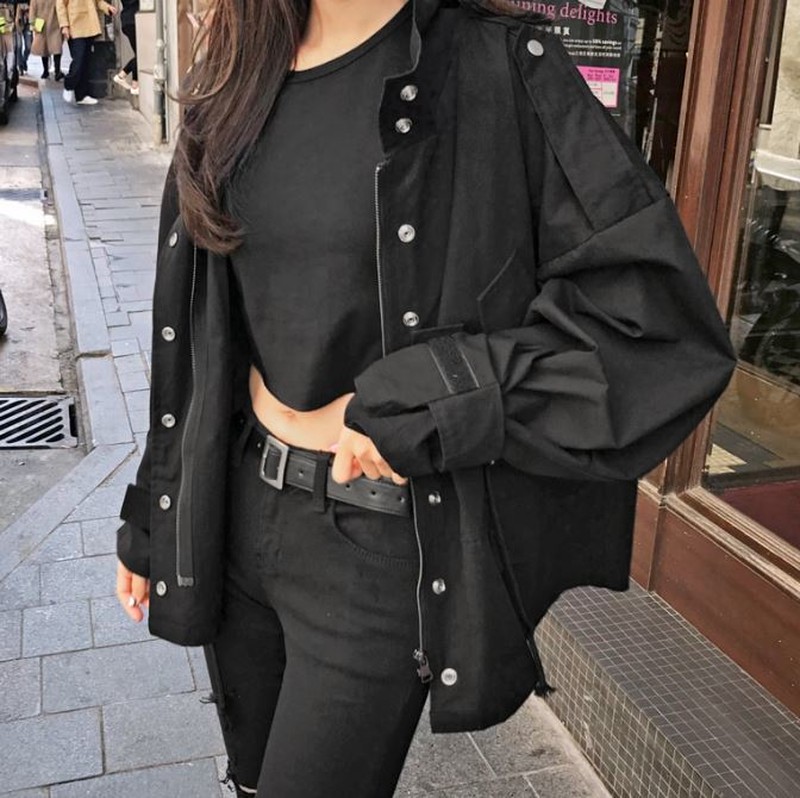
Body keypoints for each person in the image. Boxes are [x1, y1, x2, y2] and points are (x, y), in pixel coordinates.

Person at [114, 0, 737, 796]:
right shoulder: (237, 64)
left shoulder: (500, 67)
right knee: (253, 780)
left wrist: (431, 398)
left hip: (373, 542)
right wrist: (153, 509)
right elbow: (196, 327)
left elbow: (656, 330)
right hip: (234, 509)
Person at [56, 0, 115, 105]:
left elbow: (98, 1)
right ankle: (69, 85)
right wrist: (64, 26)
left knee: (85, 62)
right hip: (74, 25)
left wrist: (107, 8)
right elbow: (60, 4)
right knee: (78, 60)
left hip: (89, 24)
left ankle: (81, 96)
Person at [30, 0, 62, 80]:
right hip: (54, 23)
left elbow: (32, 12)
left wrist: (33, 25)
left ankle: (45, 71)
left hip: (40, 24)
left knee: (43, 49)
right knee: (56, 48)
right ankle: (57, 71)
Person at [112, 0, 138, 95]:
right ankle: (128, 80)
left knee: (139, 54)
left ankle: (130, 81)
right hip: (132, 20)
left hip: (128, 20)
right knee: (140, 55)